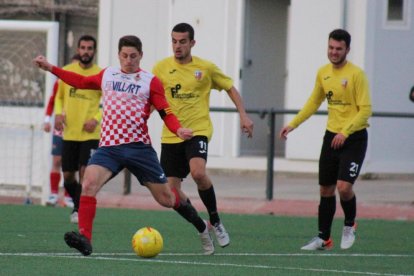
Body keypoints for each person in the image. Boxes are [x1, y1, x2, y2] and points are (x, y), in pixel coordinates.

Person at [33, 35, 194, 256]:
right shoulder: (108, 74)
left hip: (139, 148)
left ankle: (200, 224)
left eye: (133, 56)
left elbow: (165, 111)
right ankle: (85, 239)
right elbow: (79, 81)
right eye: (125, 55)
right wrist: (51, 68)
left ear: (141, 56)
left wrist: (178, 129)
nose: (129, 60)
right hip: (109, 148)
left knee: (166, 198)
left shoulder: (150, 81)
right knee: (88, 181)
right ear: (119, 55)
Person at [152, 23, 254, 255]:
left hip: (197, 130)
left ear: (192, 43)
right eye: (174, 41)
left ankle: (215, 220)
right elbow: (153, 99)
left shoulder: (205, 68)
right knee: (171, 195)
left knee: (198, 172)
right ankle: (201, 227)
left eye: (182, 41)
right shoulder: (160, 68)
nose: (177, 46)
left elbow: (230, 88)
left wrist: (244, 116)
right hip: (171, 135)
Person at [279, 29, 372, 250]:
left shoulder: (357, 75)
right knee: (325, 189)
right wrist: (293, 124)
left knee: (344, 187)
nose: (334, 52)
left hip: (354, 138)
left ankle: (349, 224)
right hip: (331, 137)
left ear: (347, 50)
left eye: (339, 48)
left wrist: (346, 132)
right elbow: (313, 102)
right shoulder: (323, 73)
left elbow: (365, 110)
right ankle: (323, 238)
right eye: (331, 47)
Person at [54, 35, 102, 223]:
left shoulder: (100, 74)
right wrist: (58, 114)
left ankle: (78, 209)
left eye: (90, 48)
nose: (86, 51)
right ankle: (79, 203)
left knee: (85, 173)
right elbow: (59, 98)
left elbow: (108, 103)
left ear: (94, 51)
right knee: (67, 176)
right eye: (83, 48)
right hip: (70, 132)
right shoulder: (67, 71)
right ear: (78, 49)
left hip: (90, 134)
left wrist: (96, 119)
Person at [43, 54, 80, 208]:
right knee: (57, 160)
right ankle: (52, 194)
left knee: (71, 163)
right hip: (61, 126)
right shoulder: (61, 81)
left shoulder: (86, 84)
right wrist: (47, 120)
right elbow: (53, 100)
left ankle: (68, 196)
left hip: (75, 128)